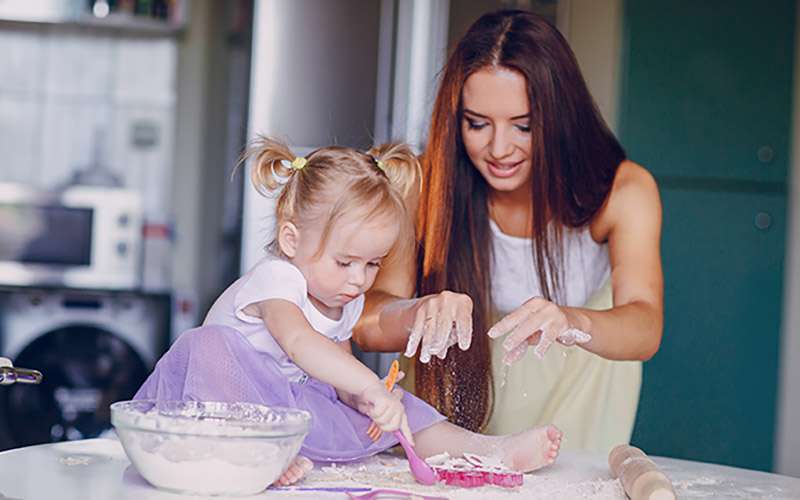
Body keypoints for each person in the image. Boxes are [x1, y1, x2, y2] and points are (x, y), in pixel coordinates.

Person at [134, 137, 562, 487]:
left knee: (394, 401)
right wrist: (367, 386)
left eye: (373, 264)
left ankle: (489, 452)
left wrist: (370, 398)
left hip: (287, 404)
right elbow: (301, 344)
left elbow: (335, 371)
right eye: (345, 262)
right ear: (290, 240)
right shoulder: (277, 279)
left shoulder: (345, 297)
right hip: (221, 402)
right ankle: (259, 455)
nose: (359, 280)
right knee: (209, 344)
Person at [353, 9, 663, 454]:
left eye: (524, 126)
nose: (499, 149)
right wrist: (418, 311)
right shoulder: (423, 185)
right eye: (476, 124)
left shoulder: (623, 191)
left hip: (576, 421)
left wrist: (571, 321)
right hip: (453, 427)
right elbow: (364, 321)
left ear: (561, 116)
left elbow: (645, 325)